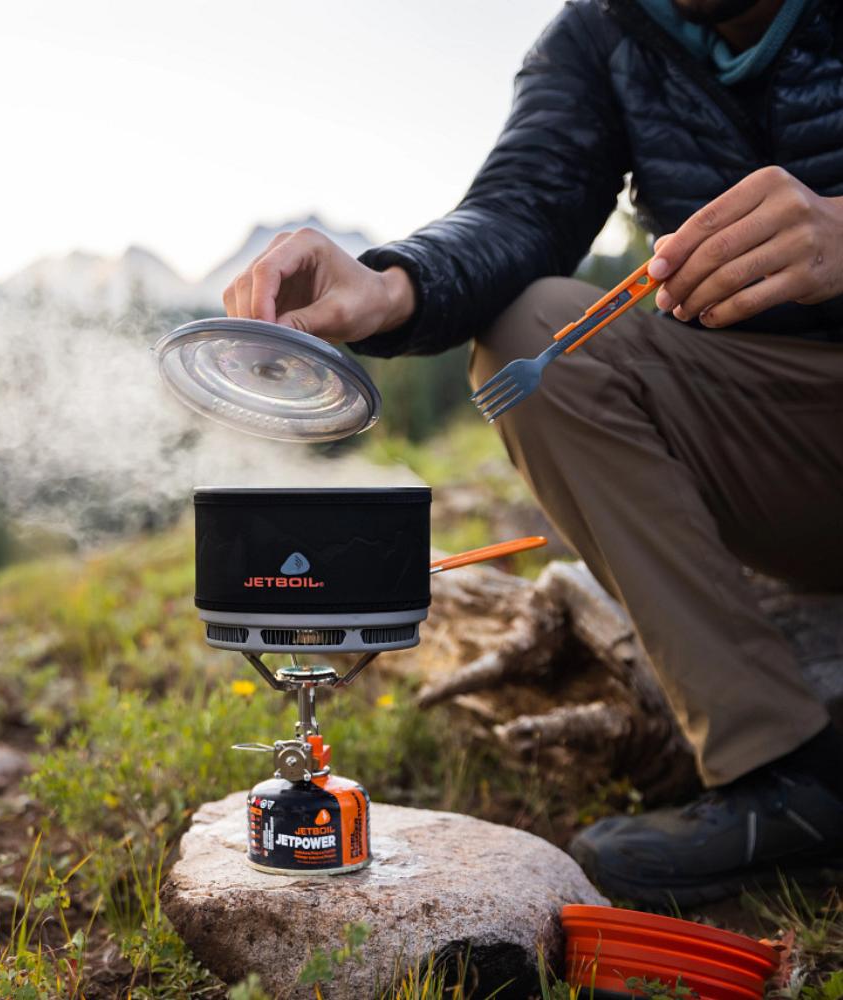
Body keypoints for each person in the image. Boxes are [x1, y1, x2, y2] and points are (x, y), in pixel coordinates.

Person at [223, 0, 843, 905]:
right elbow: (521, 210)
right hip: (783, 448)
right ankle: (783, 775)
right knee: (534, 333)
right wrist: (391, 286)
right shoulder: (606, 32)